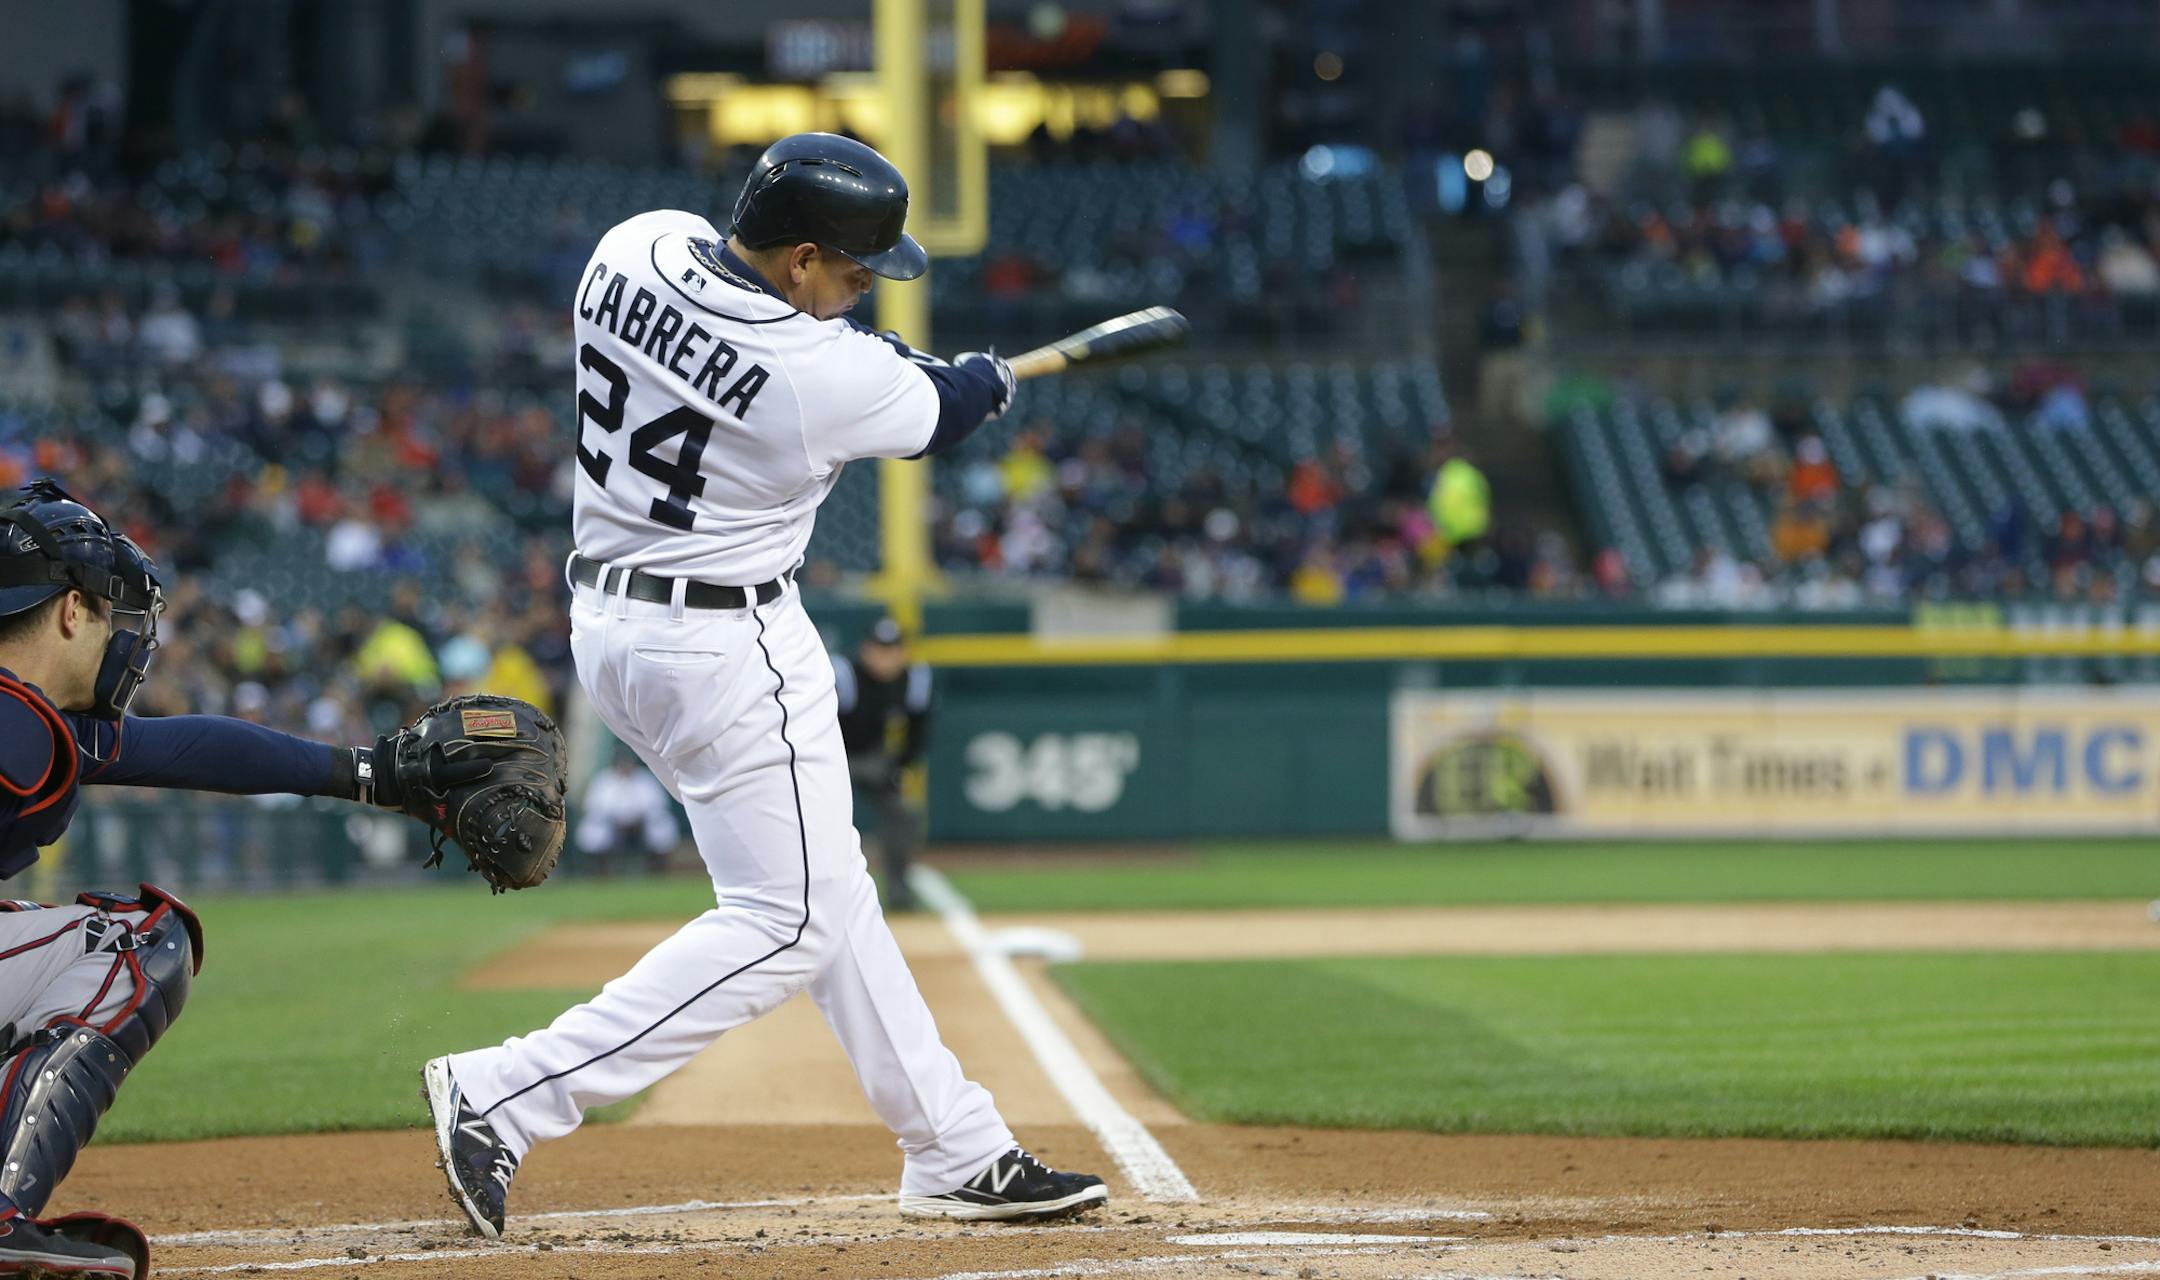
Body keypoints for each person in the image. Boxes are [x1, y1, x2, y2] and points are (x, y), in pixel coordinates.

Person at [420, 132, 1108, 1240]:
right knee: (788, 920)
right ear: (797, 258)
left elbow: (848, 362)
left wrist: (937, 375)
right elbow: (943, 407)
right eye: (850, 268)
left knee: (828, 890)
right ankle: (509, 1091)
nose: (862, 287)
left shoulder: (633, 246)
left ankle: (953, 1145)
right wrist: (982, 378)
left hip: (610, 626)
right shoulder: (821, 376)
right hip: (723, 644)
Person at [0, 480, 437, 1279]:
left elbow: (192, 748)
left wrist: (371, 774)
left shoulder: (35, 719)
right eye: (114, 616)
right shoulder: (14, 719)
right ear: (71, 611)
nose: (126, 640)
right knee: (131, 944)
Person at [833, 618, 932, 911]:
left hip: (875, 758)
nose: (886, 657)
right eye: (879, 649)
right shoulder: (843, 673)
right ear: (865, 649)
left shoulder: (913, 678)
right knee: (820, 825)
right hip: (831, 757)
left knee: (904, 816)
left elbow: (919, 730)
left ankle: (899, 895)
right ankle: (816, 900)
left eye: (893, 650)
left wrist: (899, 765)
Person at [574, 748, 680, 875]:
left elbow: (656, 805)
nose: (625, 768)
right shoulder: (604, 780)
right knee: (594, 831)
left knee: (662, 828)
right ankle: (600, 871)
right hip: (612, 825)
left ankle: (657, 869)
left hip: (641, 825)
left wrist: (635, 819)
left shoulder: (645, 779)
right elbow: (593, 806)